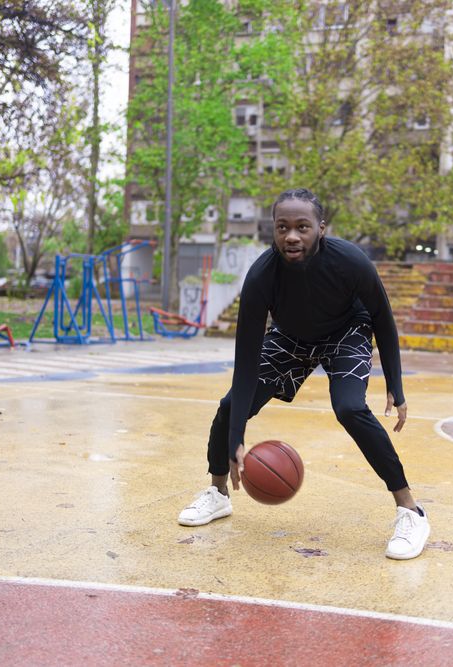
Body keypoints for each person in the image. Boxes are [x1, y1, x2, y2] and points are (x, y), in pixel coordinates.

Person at [177, 188, 429, 560]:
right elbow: (245, 360)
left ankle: (411, 511)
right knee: (231, 405)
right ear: (273, 231)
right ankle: (217, 494)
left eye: (302, 227)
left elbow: (383, 318)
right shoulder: (262, 275)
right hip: (291, 337)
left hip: (346, 331)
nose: (291, 235)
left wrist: (396, 384)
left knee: (349, 409)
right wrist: (236, 439)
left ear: (320, 229)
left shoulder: (350, 261)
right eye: (282, 227)